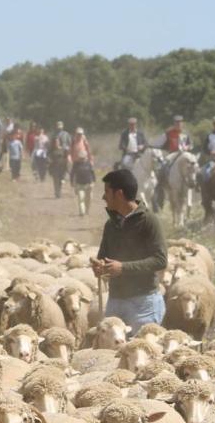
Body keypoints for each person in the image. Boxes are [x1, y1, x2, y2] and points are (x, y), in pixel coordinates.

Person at [91, 168, 167, 331]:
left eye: (107, 192)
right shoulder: (111, 225)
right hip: (116, 301)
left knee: (142, 351)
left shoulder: (149, 221)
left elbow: (161, 260)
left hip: (143, 303)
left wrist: (123, 267)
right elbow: (104, 257)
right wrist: (100, 266)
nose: (104, 197)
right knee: (110, 352)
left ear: (119, 194)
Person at [70, 127, 96, 216]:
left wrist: (90, 159)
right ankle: (76, 187)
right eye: (78, 134)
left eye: (81, 134)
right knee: (75, 174)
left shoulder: (84, 140)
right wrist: (70, 158)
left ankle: (86, 210)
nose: (79, 135)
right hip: (76, 162)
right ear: (76, 134)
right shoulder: (73, 141)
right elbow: (71, 150)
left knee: (88, 197)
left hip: (85, 161)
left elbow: (88, 150)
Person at [49, 122, 71, 198]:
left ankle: (66, 176)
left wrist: (68, 151)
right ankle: (57, 192)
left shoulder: (66, 134)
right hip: (55, 157)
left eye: (60, 127)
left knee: (62, 174)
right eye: (58, 127)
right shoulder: (53, 135)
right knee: (55, 176)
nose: (59, 128)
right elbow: (50, 147)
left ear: (62, 127)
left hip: (64, 155)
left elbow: (70, 144)